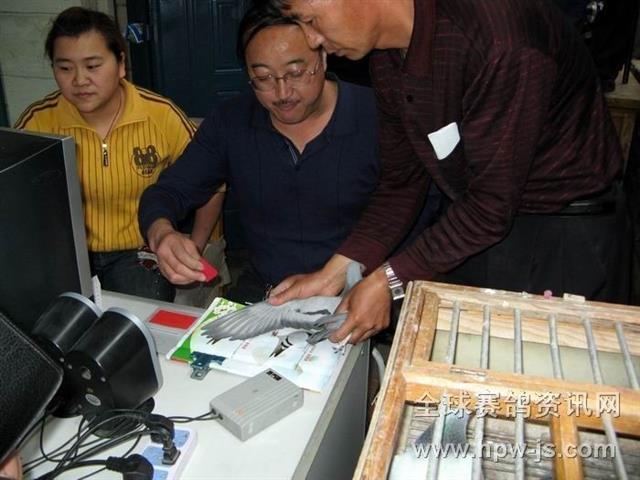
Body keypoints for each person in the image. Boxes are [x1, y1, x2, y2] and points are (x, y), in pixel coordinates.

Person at [265, 0, 631, 343]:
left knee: (541, 378)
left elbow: (490, 205)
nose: (312, 40)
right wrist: (332, 274)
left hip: (563, 239)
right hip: (475, 229)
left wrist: (389, 279)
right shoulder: (388, 57)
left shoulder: (499, 38)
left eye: (310, 20)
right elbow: (402, 181)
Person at [138, 3, 387, 304]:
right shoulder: (232, 121)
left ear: (323, 56)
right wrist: (162, 233)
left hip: (363, 293)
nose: (282, 93)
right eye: (263, 77)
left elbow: (418, 220)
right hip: (268, 292)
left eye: (296, 72)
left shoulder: (378, 115)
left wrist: (385, 283)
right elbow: (167, 192)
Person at [14, 7, 223, 302]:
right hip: (67, 252)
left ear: (121, 64)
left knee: (140, 319)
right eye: (65, 68)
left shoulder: (160, 115)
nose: (80, 80)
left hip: (138, 251)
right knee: (52, 317)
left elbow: (213, 182)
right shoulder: (39, 122)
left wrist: (197, 245)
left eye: (92, 66)